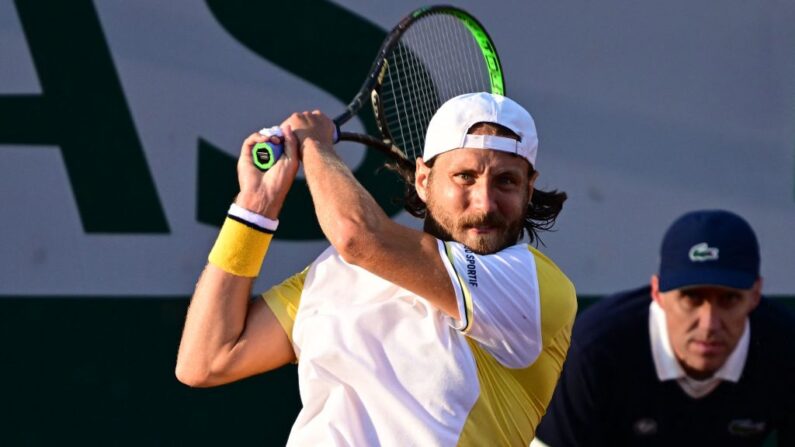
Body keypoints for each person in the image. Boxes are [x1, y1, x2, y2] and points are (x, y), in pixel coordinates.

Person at [175, 92, 577, 446]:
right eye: (465, 177)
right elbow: (207, 360)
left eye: (506, 181)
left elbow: (357, 237)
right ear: (423, 179)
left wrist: (315, 143)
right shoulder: (334, 271)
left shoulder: (535, 287)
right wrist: (255, 207)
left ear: (529, 187)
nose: (485, 202)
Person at [533, 210, 795, 447]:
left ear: (755, 295)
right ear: (657, 293)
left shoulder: (786, 350)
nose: (709, 324)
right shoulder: (594, 351)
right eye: (692, 298)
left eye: (729, 299)